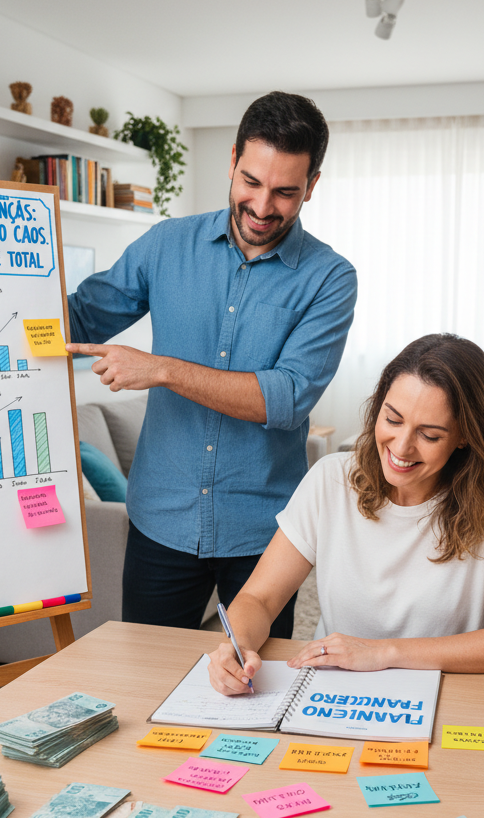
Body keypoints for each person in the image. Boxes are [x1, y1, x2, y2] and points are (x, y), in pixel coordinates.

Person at [66, 92, 357, 638]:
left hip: (266, 534)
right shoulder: (165, 245)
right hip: (161, 520)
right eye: (251, 182)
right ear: (231, 161)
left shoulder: (330, 278)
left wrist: (162, 370)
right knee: (147, 678)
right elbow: (80, 318)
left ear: (312, 185)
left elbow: (287, 398)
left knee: (253, 689)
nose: (263, 206)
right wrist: (1, 287)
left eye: (285, 191)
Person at [207, 334, 484, 694]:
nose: (402, 447)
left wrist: (383, 653)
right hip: (333, 688)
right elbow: (259, 599)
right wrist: (237, 646)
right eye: (393, 419)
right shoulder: (331, 478)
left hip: (444, 693)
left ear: (464, 436)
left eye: (430, 435)